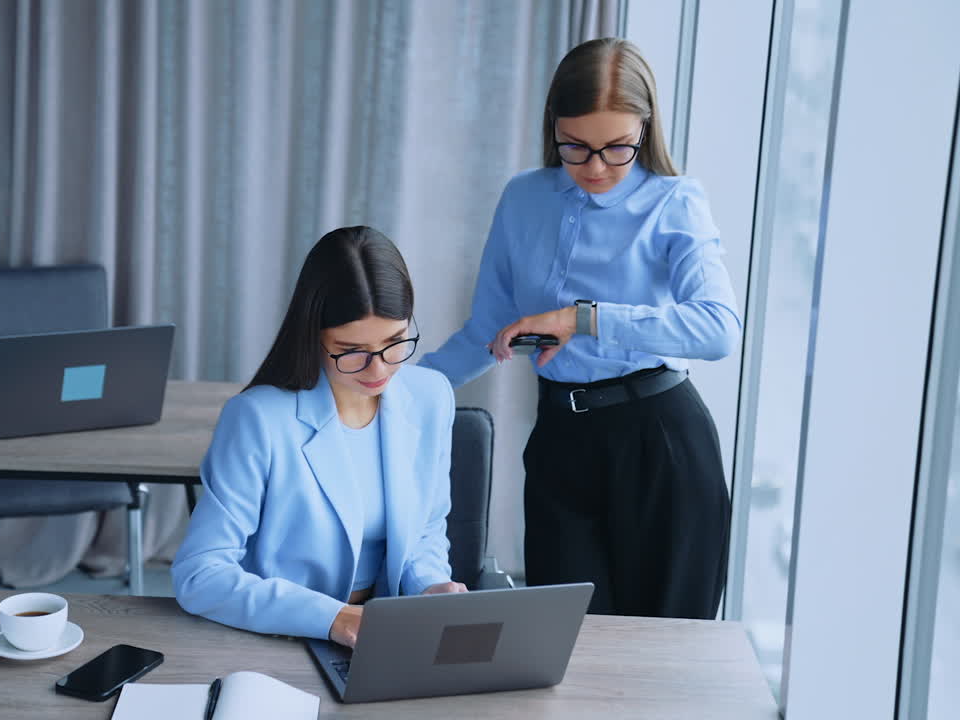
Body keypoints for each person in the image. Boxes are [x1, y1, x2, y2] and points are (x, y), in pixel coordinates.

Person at [419, 37, 741, 620]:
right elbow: (485, 335)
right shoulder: (523, 198)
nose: (595, 167)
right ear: (554, 128)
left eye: (617, 147)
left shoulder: (675, 202)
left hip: (660, 445)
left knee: (659, 663)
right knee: (566, 648)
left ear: (645, 129)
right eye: (576, 147)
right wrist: (387, 388)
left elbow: (718, 330)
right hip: (560, 445)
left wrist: (584, 319)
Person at [172, 225, 467, 648]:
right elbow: (201, 573)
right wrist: (337, 619)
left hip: (388, 633)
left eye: (395, 343)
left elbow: (425, 529)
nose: (378, 370)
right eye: (351, 351)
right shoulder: (257, 417)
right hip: (282, 635)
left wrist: (430, 586)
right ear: (313, 336)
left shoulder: (430, 395)